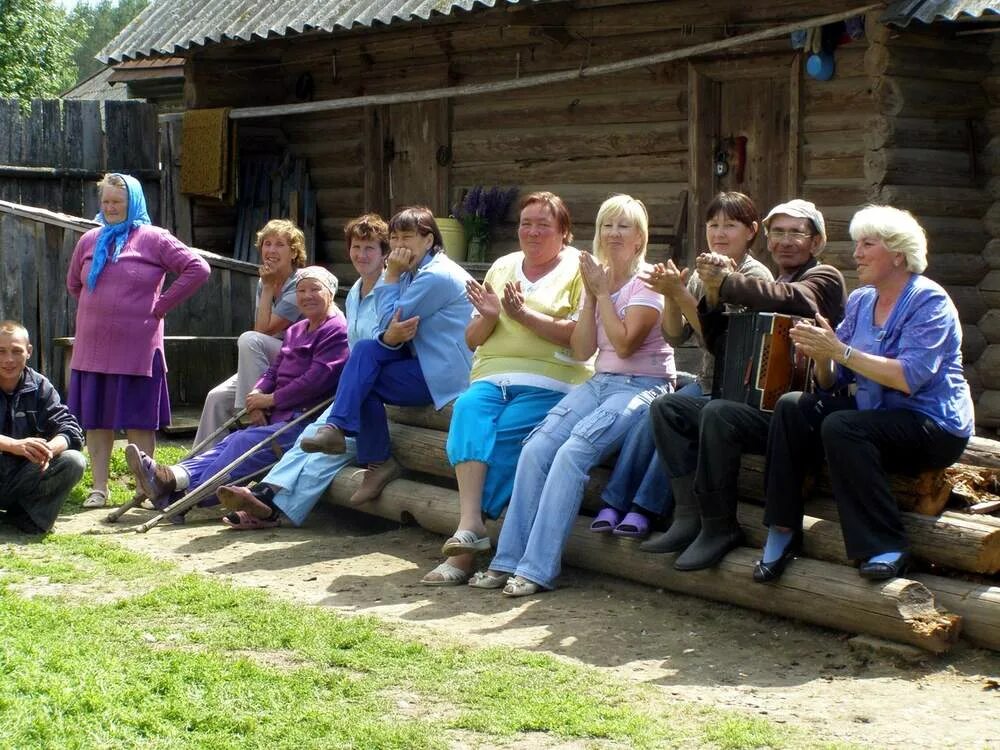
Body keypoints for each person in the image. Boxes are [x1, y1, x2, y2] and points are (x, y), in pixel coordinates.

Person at [754, 206, 974, 582]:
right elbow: (833, 382)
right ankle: (782, 530)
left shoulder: (928, 301)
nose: (856, 254)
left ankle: (885, 545)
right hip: (874, 413)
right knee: (793, 406)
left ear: (898, 254)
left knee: (843, 426)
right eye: (857, 244)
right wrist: (822, 356)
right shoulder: (860, 300)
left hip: (932, 426)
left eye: (867, 244)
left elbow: (909, 377)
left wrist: (840, 350)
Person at [472, 194, 674, 596]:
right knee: (535, 450)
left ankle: (536, 569)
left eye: (624, 226)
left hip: (644, 386)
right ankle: (506, 560)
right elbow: (583, 350)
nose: (614, 234)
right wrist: (592, 294)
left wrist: (600, 294)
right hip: (599, 382)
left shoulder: (647, 280)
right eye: (607, 226)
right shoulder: (596, 279)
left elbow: (626, 344)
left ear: (640, 237)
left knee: (571, 454)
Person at [646, 199, 847, 571]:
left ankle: (720, 526)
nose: (785, 241)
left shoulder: (824, 278)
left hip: (800, 414)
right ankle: (690, 516)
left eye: (796, 233)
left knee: (720, 413)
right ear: (767, 238)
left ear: (816, 242)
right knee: (668, 407)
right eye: (778, 233)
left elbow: (798, 300)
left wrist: (727, 282)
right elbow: (725, 344)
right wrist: (705, 293)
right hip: (760, 408)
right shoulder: (772, 280)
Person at [421, 192, 592, 585]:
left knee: (505, 439)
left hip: (551, 382)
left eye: (543, 225)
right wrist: (491, 315)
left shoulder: (579, 269)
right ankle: (471, 526)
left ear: (564, 233)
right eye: (525, 223)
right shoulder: (502, 266)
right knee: (467, 409)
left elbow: (582, 338)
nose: (532, 231)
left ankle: (464, 550)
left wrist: (524, 316)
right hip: (491, 377)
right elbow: (471, 338)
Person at [593, 192, 773, 540]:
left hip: (736, 390)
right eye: (712, 225)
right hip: (705, 382)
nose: (719, 234)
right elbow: (675, 336)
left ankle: (645, 508)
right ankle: (615, 503)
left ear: (751, 231)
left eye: (730, 226)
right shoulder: (702, 269)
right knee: (651, 416)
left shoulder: (755, 277)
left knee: (673, 414)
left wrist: (683, 294)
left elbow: (720, 345)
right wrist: (672, 296)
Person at [124, 267, 349, 519]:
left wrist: (272, 399)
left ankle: (185, 495)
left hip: (302, 421)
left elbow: (316, 381)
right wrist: (257, 393)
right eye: (301, 290)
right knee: (230, 441)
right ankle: (170, 478)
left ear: (330, 292)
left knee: (242, 443)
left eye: (315, 289)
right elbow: (274, 371)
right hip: (278, 416)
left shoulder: (336, 330)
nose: (307, 295)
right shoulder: (297, 329)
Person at [215, 214, 390, 529]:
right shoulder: (355, 294)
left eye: (370, 249)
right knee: (308, 442)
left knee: (326, 457)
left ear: (384, 253)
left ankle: (266, 506)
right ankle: (263, 502)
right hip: (352, 394)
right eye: (356, 247)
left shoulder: (390, 291)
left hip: (378, 395)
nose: (362, 255)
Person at [299, 207, 474, 506]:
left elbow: (387, 321)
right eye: (394, 238)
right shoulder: (415, 270)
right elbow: (387, 330)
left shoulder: (436, 275)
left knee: (365, 368)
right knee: (365, 355)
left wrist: (390, 274)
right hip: (422, 365)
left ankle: (365, 453)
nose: (398, 246)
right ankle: (354, 445)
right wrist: (394, 284)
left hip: (448, 373)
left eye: (407, 236)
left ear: (429, 239)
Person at [66, 173, 210, 509]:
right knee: (96, 418)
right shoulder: (89, 240)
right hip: (93, 345)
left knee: (138, 418)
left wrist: (160, 306)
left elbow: (197, 268)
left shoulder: (154, 238)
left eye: (118, 202)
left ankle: (146, 487)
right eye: (106, 202)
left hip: (137, 347)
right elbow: (75, 284)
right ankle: (99, 488)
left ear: (134, 202)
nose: (111, 207)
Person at [194, 219, 306, 448]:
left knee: (249, 339)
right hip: (269, 361)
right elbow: (261, 331)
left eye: (280, 244)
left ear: (293, 252)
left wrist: (266, 287)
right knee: (216, 398)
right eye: (267, 244)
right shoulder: (266, 280)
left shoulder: (301, 284)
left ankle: (256, 412)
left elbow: (264, 330)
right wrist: (266, 286)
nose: (271, 250)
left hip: (295, 360)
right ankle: (196, 464)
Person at [0, 321, 86, 534]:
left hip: (23, 475)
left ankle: (28, 516)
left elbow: (70, 428)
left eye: (16, 351)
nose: (8, 359)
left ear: (28, 352)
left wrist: (48, 449)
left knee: (74, 461)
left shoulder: (40, 386)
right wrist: (14, 445)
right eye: (0, 351)